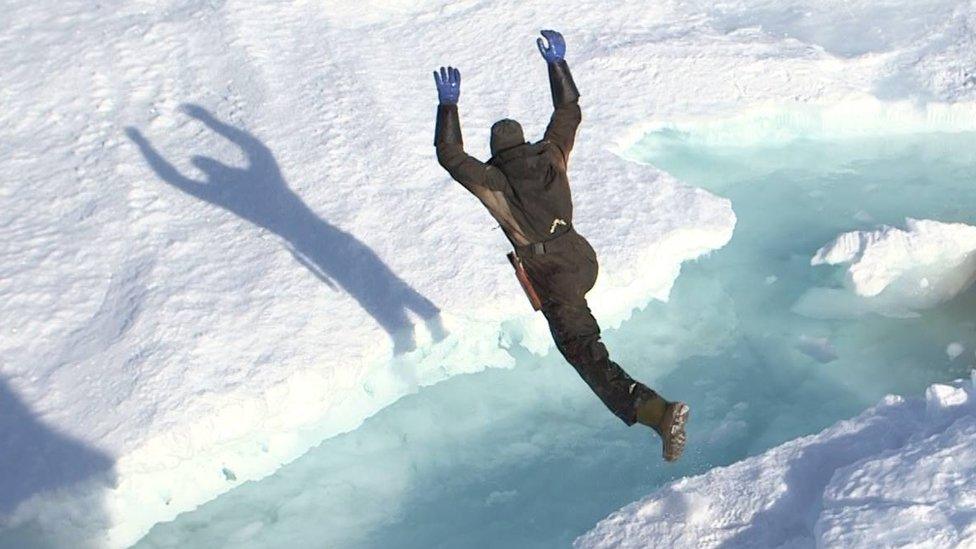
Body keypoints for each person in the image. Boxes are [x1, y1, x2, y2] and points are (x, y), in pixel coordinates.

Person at [432, 30, 689, 462]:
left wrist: (448, 105)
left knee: (584, 354)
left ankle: (659, 413)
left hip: (555, 276)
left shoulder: (496, 182)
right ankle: (653, 410)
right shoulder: (550, 153)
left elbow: (450, 155)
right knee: (580, 340)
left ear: (496, 154)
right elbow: (568, 110)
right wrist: (557, 63)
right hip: (581, 257)